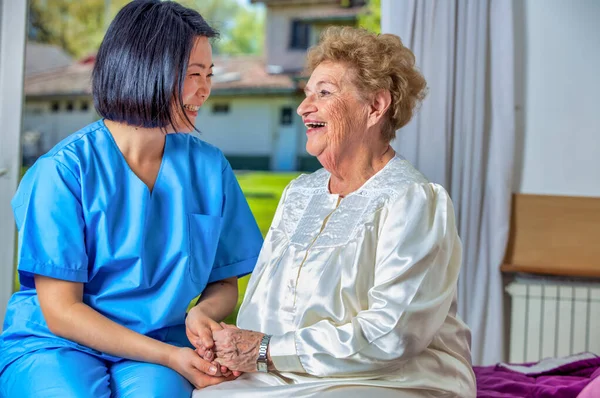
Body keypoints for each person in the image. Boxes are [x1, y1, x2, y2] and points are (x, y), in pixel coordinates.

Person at [194, 27, 477, 397]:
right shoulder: (300, 192)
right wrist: (232, 350)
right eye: (307, 93)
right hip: (283, 372)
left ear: (376, 106)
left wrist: (263, 351)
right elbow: (260, 308)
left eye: (324, 93)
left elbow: (392, 335)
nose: (303, 107)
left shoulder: (414, 200)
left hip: (390, 377)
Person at [0, 1, 263, 397]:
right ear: (146, 70)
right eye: (194, 75)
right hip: (57, 343)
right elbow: (62, 311)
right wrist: (170, 357)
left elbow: (224, 280)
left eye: (209, 75)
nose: (205, 89)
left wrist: (202, 313)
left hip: (158, 343)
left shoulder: (209, 168)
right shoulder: (63, 172)